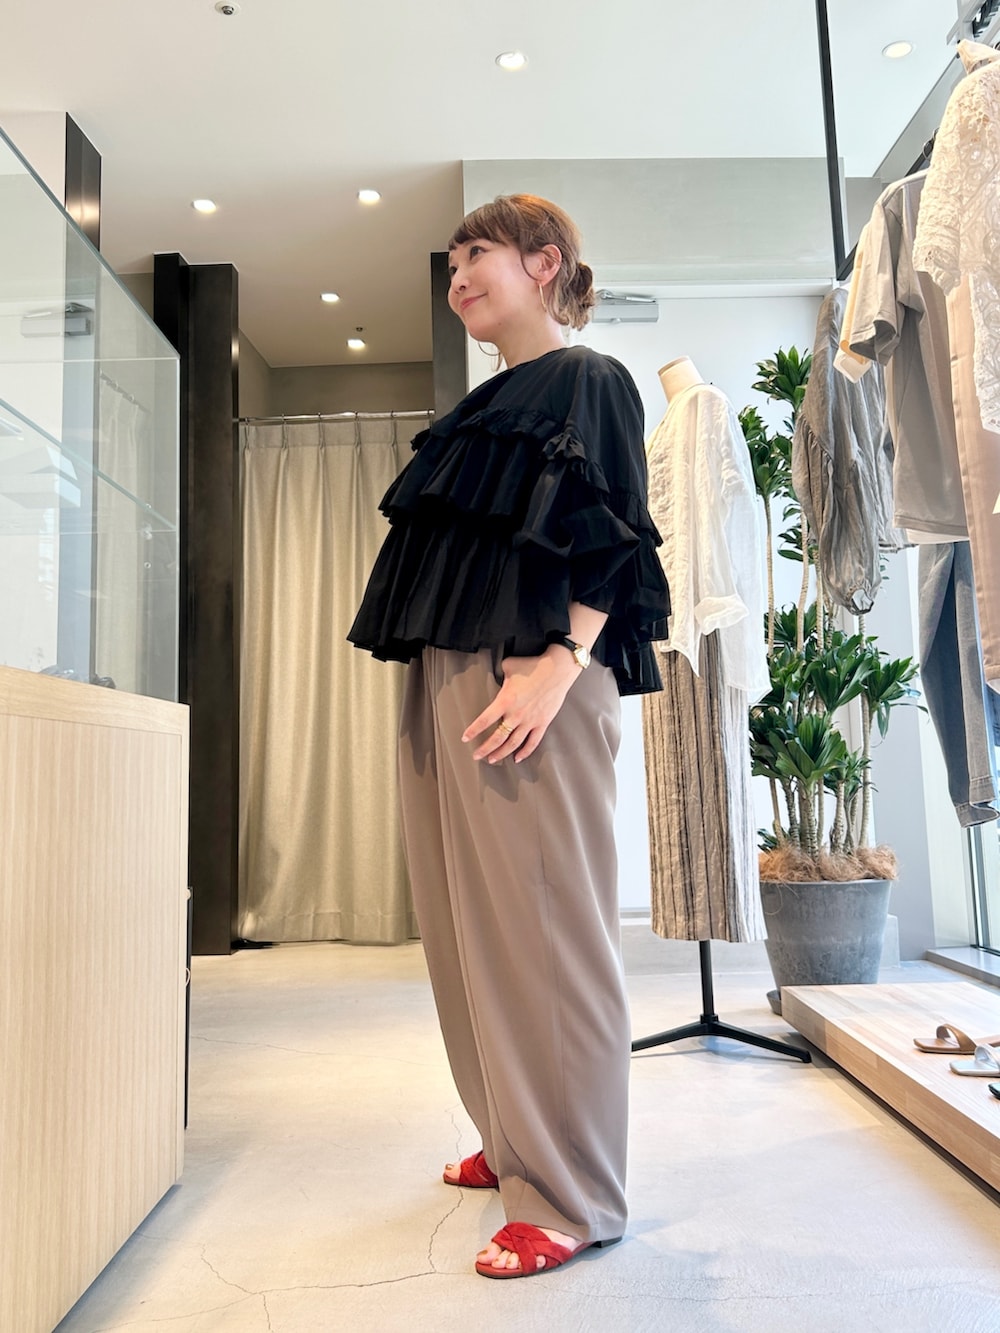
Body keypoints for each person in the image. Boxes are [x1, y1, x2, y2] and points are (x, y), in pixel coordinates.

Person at [348, 194, 669, 1278]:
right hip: (449, 668)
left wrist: (560, 661)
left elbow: (617, 537)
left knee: (544, 931)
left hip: (531, 671)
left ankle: (570, 1190)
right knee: (462, 925)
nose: (457, 277)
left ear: (544, 262)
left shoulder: (589, 379)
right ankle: (514, 1130)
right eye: (450, 262)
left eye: (475, 253)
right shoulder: (482, 408)